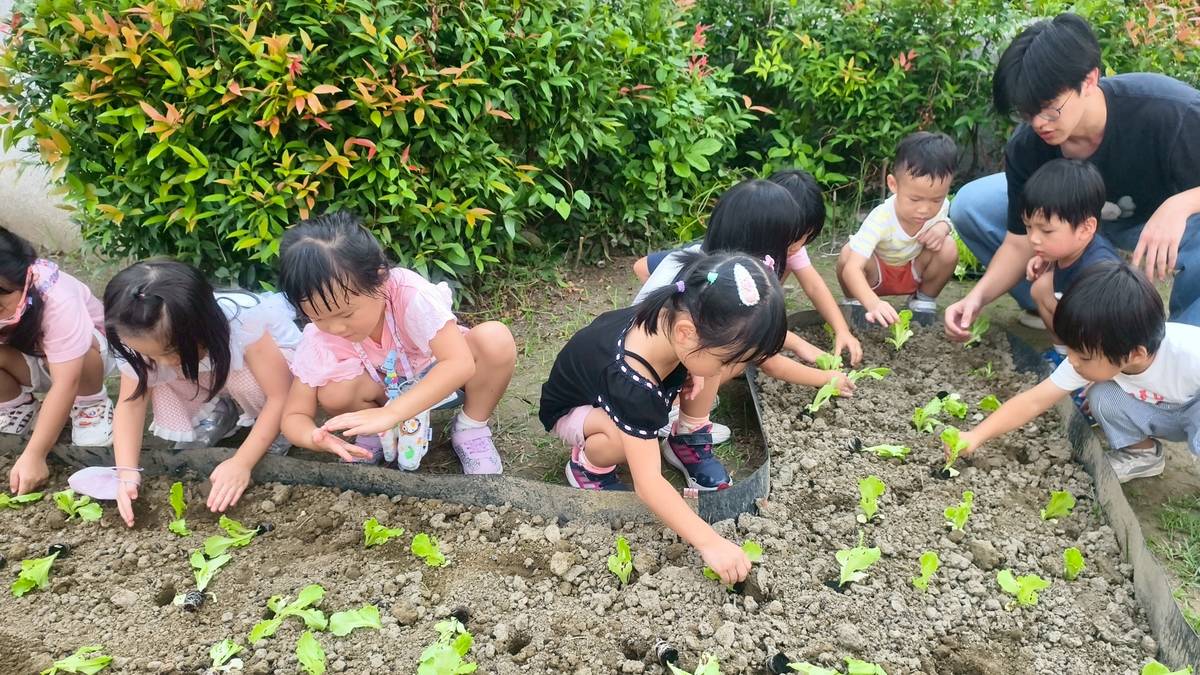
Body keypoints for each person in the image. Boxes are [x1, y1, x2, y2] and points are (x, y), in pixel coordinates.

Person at [946, 12, 1200, 340]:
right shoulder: (1029, 145)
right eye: (1026, 112)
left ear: (1089, 80)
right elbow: (1019, 241)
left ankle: (1183, 343)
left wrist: (1181, 205)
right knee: (972, 205)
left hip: (1159, 225)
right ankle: (1066, 309)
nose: (1039, 123)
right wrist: (975, 299)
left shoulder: (1168, 111)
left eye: (1050, 107)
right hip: (1077, 222)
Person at [539, 251, 786, 584]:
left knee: (697, 377)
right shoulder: (632, 382)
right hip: (575, 410)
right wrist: (710, 542)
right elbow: (648, 483)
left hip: (614, 390)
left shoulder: (672, 316)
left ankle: (683, 438)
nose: (733, 371)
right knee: (621, 440)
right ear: (686, 334)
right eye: (729, 361)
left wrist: (693, 367)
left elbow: (698, 357)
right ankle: (588, 464)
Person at [277, 211, 516, 475]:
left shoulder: (409, 295)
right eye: (318, 317)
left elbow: (459, 364)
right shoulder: (320, 336)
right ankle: (376, 433)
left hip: (441, 379)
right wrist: (314, 437)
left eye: (346, 314)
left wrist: (393, 413)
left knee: (495, 339)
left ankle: (471, 428)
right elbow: (293, 415)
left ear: (380, 278)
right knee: (334, 391)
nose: (335, 328)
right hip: (384, 390)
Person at [632, 178, 857, 447]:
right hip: (648, 378)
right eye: (788, 244)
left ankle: (679, 403)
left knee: (727, 350)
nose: (794, 251)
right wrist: (826, 378)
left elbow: (642, 267)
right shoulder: (724, 289)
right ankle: (686, 429)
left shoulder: (706, 265)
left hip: (639, 360)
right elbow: (767, 359)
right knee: (728, 350)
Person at [952, 262, 1198, 482]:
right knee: (1101, 395)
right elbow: (1033, 401)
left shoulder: (1189, 353)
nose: (1071, 360)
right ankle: (1143, 455)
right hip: (1161, 411)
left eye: (1082, 355)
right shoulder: (1093, 352)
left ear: (1136, 354)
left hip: (1194, 410)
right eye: (1070, 349)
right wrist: (975, 436)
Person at [105, 260, 301, 526]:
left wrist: (242, 462)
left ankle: (272, 429)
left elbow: (281, 394)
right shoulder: (138, 338)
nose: (159, 361)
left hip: (273, 369)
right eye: (145, 353)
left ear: (199, 329)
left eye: (166, 352)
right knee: (152, 376)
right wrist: (126, 473)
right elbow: (131, 405)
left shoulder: (243, 321)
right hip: (208, 368)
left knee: (244, 381)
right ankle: (218, 414)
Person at [634, 170, 862, 364]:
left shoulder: (757, 251)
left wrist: (841, 329)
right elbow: (642, 267)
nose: (799, 246)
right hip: (655, 354)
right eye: (796, 238)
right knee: (737, 358)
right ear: (767, 236)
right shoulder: (712, 267)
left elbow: (813, 285)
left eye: (805, 237)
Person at [1, 228, 114, 495]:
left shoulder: (57, 296)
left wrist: (35, 455)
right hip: (31, 360)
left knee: (78, 353)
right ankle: (16, 406)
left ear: (25, 278)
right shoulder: (12, 297)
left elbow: (66, 382)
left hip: (87, 364)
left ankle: (91, 406)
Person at [836, 131, 959, 325]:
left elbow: (945, 218)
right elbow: (852, 269)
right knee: (847, 254)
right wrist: (873, 303)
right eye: (915, 199)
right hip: (875, 276)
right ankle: (856, 303)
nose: (925, 209)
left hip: (912, 271)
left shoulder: (940, 207)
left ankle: (923, 301)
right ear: (893, 184)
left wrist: (943, 227)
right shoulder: (881, 217)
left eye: (936, 199)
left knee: (948, 246)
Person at [1021, 158, 1121, 358]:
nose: (1033, 239)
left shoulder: (1099, 271)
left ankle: (1084, 366)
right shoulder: (1071, 248)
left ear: (1086, 228)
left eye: (1046, 231)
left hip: (1107, 344)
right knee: (1041, 288)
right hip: (1078, 319)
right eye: (1028, 227)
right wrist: (1046, 259)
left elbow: (1109, 327)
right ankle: (1063, 355)